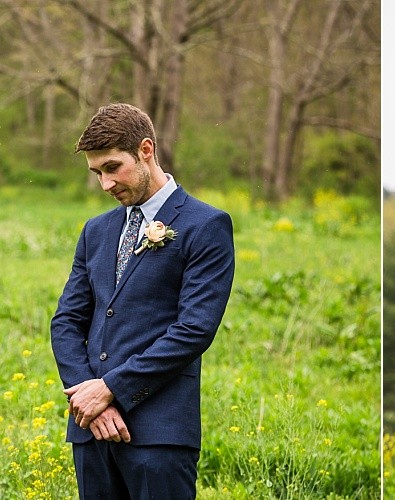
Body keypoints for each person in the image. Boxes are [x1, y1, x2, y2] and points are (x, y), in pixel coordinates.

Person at [51, 103, 235, 500]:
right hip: (91, 429)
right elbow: (66, 320)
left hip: (159, 433)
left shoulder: (206, 225)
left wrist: (112, 389)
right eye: (97, 172)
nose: (105, 183)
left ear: (146, 150)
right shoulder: (96, 230)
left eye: (112, 167)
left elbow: (193, 330)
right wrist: (90, 396)